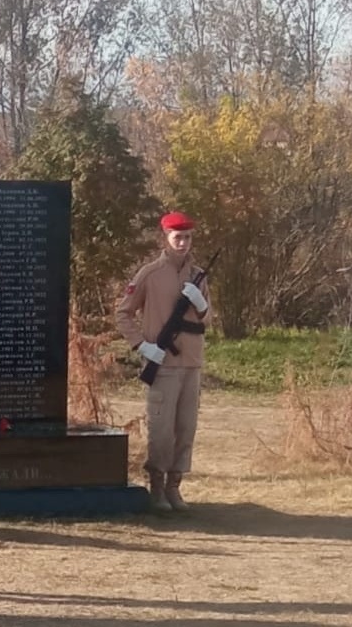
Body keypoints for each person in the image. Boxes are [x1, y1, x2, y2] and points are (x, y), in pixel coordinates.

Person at [115, 211, 211, 512]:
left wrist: (201, 304)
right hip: (163, 364)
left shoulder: (198, 275)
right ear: (166, 237)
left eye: (187, 237)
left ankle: (174, 487)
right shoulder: (150, 274)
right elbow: (123, 313)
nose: (183, 243)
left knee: (186, 428)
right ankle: (157, 488)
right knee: (161, 430)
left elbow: (208, 320)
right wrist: (142, 345)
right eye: (177, 237)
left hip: (191, 362)